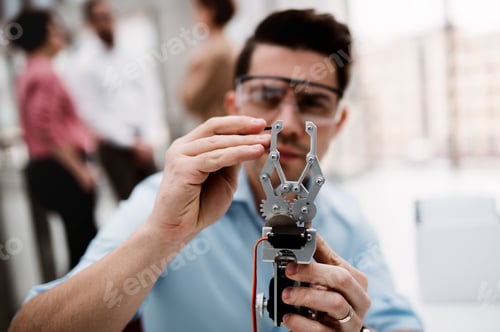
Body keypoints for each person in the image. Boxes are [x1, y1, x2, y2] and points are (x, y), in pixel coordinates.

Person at [9, 9, 424, 332]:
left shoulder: (349, 223)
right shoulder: (162, 203)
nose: (290, 124)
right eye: (266, 96)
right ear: (234, 108)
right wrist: (162, 237)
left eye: (313, 103)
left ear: (341, 121)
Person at [9, 9, 97, 269]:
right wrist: (79, 170)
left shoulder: (29, 71)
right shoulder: (44, 73)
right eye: (55, 28)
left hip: (51, 167)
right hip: (60, 169)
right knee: (84, 245)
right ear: (44, 34)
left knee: (79, 241)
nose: (60, 33)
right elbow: (44, 129)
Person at [72, 0, 166, 201]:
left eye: (109, 16)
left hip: (145, 142)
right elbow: (93, 113)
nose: (106, 22)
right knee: (131, 206)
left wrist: (148, 138)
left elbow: (151, 95)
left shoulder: (133, 50)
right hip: (115, 147)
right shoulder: (84, 64)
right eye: (99, 18)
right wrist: (131, 143)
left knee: (160, 199)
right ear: (90, 24)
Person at [179, 0, 236, 123]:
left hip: (217, 128)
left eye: (198, 10)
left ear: (210, 12)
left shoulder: (213, 54)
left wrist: (192, 68)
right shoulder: (233, 47)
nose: (195, 17)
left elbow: (189, 100)